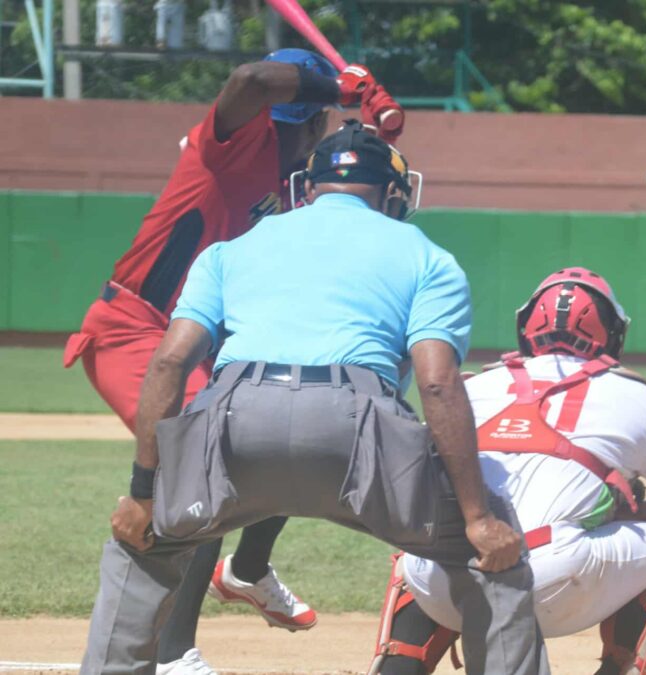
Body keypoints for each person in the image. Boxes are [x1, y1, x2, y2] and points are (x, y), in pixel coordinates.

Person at [79, 122, 549, 675]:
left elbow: (168, 362)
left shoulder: (234, 248)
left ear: (309, 187)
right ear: (394, 194)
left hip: (233, 422)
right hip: (357, 426)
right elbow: (439, 382)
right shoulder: (427, 255)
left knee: (144, 542)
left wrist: (143, 493)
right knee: (491, 557)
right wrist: (477, 518)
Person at [63, 49, 404, 673]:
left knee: (278, 423)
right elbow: (250, 80)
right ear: (313, 119)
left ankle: (246, 571)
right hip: (136, 327)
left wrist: (370, 125)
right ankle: (173, 654)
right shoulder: (229, 147)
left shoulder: (299, 187)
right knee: (208, 458)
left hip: (208, 344)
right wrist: (343, 85)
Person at [365, 267, 646, 675]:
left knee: (427, 532)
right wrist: (625, 512)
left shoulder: (470, 386)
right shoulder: (636, 397)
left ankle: (399, 664)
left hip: (435, 587)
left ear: (525, 328)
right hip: (550, 586)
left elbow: (411, 481)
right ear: (613, 333)